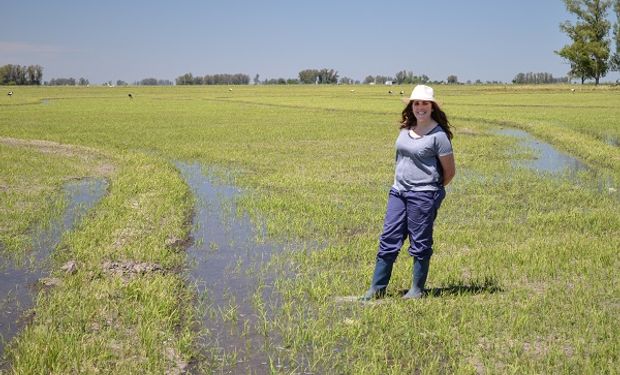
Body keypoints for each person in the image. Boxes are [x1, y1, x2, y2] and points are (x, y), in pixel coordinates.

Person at [360, 84, 455, 300]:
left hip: (423, 195)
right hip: (398, 192)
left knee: (420, 242)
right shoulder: (405, 128)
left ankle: (416, 290)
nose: (420, 107)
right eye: (416, 103)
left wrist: (430, 191)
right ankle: (377, 288)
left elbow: (449, 172)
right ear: (412, 106)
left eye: (425, 103)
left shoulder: (439, 136)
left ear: (432, 107)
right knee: (388, 238)